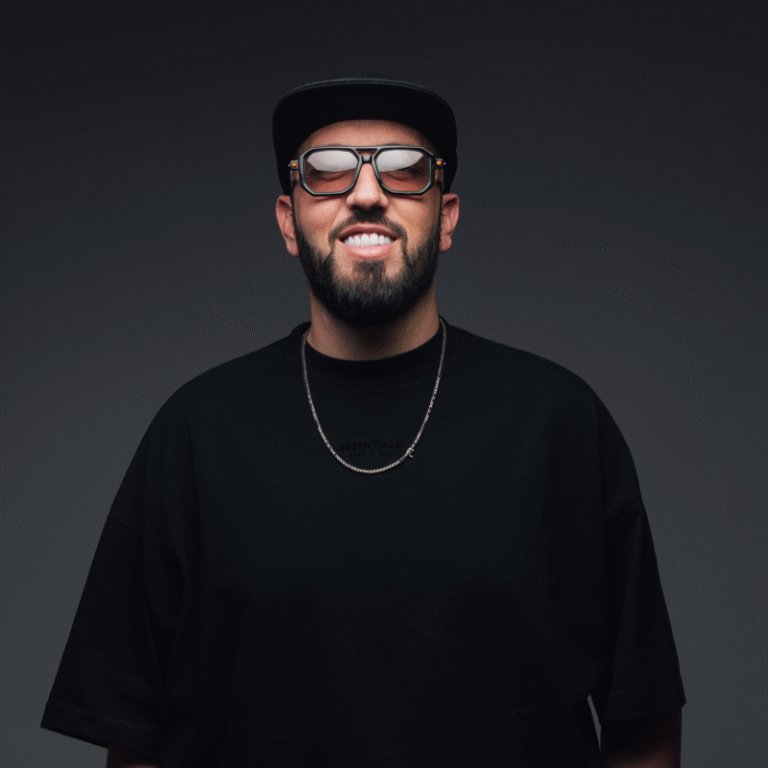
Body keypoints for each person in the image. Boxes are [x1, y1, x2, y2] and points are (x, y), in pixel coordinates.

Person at [41, 73, 686, 768]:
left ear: (447, 217)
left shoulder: (560, 425)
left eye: (405, 170)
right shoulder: (195, 436)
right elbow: (132, 737)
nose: (368, 193)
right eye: (328, 171)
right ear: (289, 221)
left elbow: (645, 727)